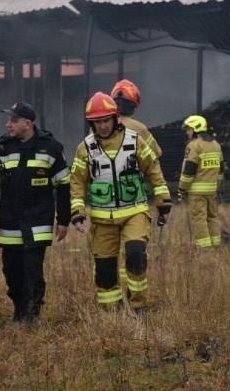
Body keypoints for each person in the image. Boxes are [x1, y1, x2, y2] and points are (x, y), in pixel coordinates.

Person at [69, 91, 172, 314]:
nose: (102, 126)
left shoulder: (135, 141)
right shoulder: (84, 149)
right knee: (105, 271)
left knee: (135, 254)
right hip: (102, 219)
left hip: (135, 212)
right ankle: (113, 313)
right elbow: (76, 183)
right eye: (97, 122)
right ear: (91, 124)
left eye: (106, 120)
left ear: (115, 118)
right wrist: (77, 213)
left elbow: (154, 170)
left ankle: (137, 307)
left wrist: (163, 202)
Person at [0, 101, 71, 325]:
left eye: (13, 121)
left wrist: (63, 220)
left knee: (33, 270)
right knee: (12, 271)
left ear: (28, 123)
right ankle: (18, 309)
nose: (8, 124)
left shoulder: (51, 147)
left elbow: (64, 186)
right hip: (9, 221)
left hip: (38, 221)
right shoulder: (2, 148)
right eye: (8, 120)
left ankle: (33, 312)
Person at [110, 78, 161, 283]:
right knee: (134, 248)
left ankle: (114, 292)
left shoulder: (99, 128)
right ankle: (134, 292)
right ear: (134, 104)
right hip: (133, 198)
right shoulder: (140, 128)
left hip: (105, 201)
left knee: (107, 252)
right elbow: (155, 154)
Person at [178, 115, 225, 249]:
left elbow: (188, 172)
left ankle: (205, 251)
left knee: (199, 219)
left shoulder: (194, 146)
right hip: (212, 192)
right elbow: (221, 171)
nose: (187, 132)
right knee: (213, 218)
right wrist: (217, 187)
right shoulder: (216, 145)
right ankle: (216, 246)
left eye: (189, 129)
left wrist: (182, 190)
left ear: (196, 129)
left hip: (197, 193)